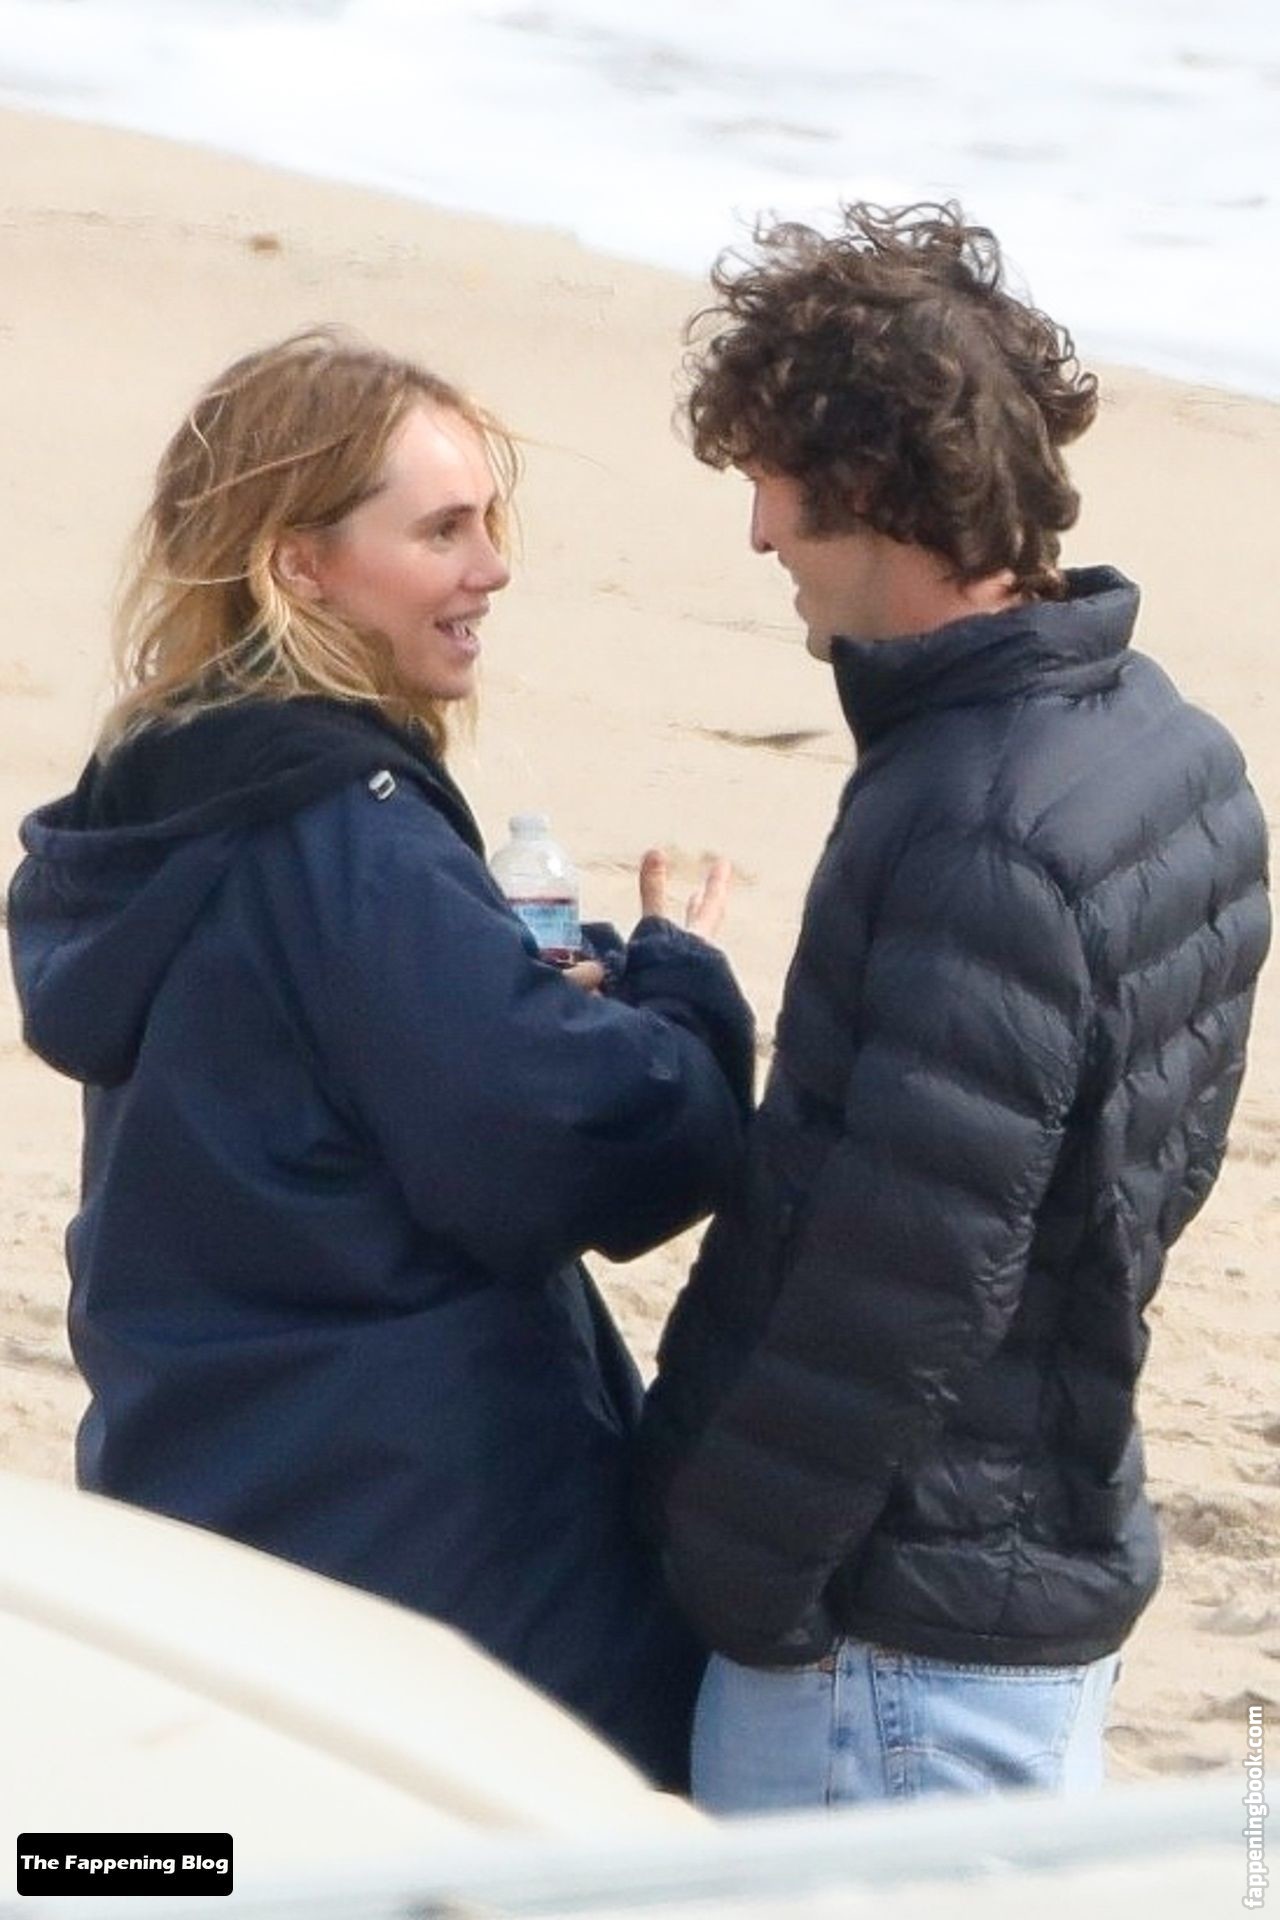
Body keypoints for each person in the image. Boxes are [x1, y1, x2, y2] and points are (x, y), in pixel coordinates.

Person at [6, 328, 756, 1791]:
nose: (492, 569)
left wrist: (537, 986)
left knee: (198, 1864)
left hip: (208, 1493)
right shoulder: (340, 828)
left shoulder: (165, 794)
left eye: (490, 523)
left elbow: (362, 1063)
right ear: (300, 567)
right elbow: (563, 1140)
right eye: (443, 531)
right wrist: (681, 998)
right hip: (417, 1553)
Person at [636, 202, 1271, 1811]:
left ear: (866, 487)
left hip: (891, 1658)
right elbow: (1122, 1193)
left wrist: (749, 1582)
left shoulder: (980, 821)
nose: (758, 534)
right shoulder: (1165, 745)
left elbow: (906, 1277)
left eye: (772, 482)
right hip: (1017, 1573)